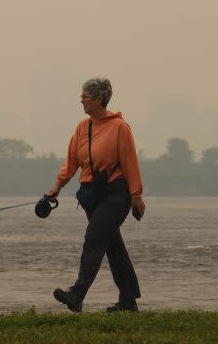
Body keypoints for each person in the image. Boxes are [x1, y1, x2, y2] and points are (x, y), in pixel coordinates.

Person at [45, 77, 145, 312]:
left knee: (94, 238)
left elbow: (130, 162)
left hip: (116, 194)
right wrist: (57, 186)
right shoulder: (82, 127)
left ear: (99, 98)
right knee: (112, 246)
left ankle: (77, 294)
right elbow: (71, 161)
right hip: (91, 195)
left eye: (85, 97)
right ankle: (128, 301)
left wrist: (136, 195)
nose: (81, 101)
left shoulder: (120, 127)